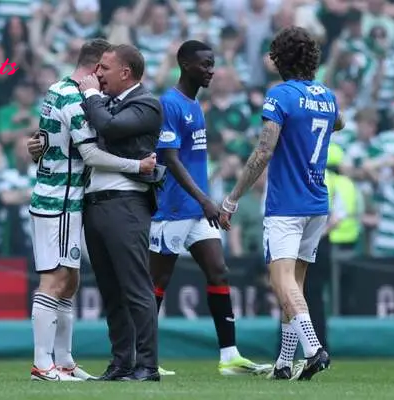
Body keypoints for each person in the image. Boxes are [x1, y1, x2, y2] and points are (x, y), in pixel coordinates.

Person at [26, 39, 157, 382]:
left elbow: (47, 141)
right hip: (58, 200)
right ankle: (43, 363)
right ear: (96, 66)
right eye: (103, 68)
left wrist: (37, 148)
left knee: (70, 280)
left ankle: (65, 361)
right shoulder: (73, 95)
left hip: (69, 200)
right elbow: (91, 154)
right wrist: (138, 166)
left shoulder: (57, 90)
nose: (103, 76)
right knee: (54, 280)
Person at [220, 27, 344, 381]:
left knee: (281, 281)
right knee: (296, 285)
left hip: (287, 203)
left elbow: (263, 151)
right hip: (317, 202)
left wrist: (232, 198)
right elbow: (339, 122)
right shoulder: (326, 95)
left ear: (280, 59)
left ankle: (314, 349)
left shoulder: (280, 96)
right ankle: (284, 363)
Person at [147, 40, 272, 377]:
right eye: (204, 63)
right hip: (173, 209)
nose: (211, 70)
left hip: (197, 210)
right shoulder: (169, 104)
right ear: (185, 64)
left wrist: (204, 201)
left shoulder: (195, 104)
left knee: (219, 271)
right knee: (157, 282)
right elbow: (169, 158)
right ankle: (141, 356)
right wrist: (204, 199)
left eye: (212, 63)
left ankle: (229, 356)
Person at [78, 44, 164, 382]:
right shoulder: (108, 104)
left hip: (126, 202)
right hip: (97, 203)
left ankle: (147, 365)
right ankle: (121, 363)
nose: (97, 75)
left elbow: (110, 128)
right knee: (111, 291)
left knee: (135, 287)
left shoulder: (146, 104)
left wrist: (90, 96)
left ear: (125, 72)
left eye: (105, 69)